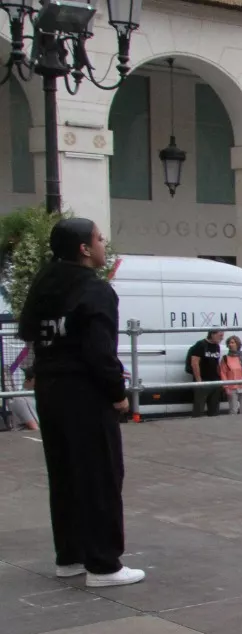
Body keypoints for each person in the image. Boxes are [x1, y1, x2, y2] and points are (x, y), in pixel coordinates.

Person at [17, 218, 143, 588]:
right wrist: (117, 395)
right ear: (85, 249)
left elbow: (28, 330)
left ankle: (70, 556)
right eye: (100, 239)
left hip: (51, 388)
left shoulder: (45, 281)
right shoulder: (95, 289)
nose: (104, 244)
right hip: (85, 391)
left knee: (65, 473)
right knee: (101, 475)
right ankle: (104, 565)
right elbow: (100, 350)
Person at [187, 329, 224, 417]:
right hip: (203, 379)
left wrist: (221, 380)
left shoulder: (217, 346)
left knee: (214, 408)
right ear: (212, 334)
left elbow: (216, 363)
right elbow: (194, 363)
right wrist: (199, 380)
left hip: (215, 380)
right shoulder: (200, 345)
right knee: (199, 408)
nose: (222, 338)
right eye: (220, 336)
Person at [219, 335, 242, 415]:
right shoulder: (225, 358)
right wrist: (226, 387)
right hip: (232, 388)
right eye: (229, 343)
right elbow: (223, 373)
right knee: (233, 411)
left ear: (237, 344)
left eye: (232, 342)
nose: (230, 345)